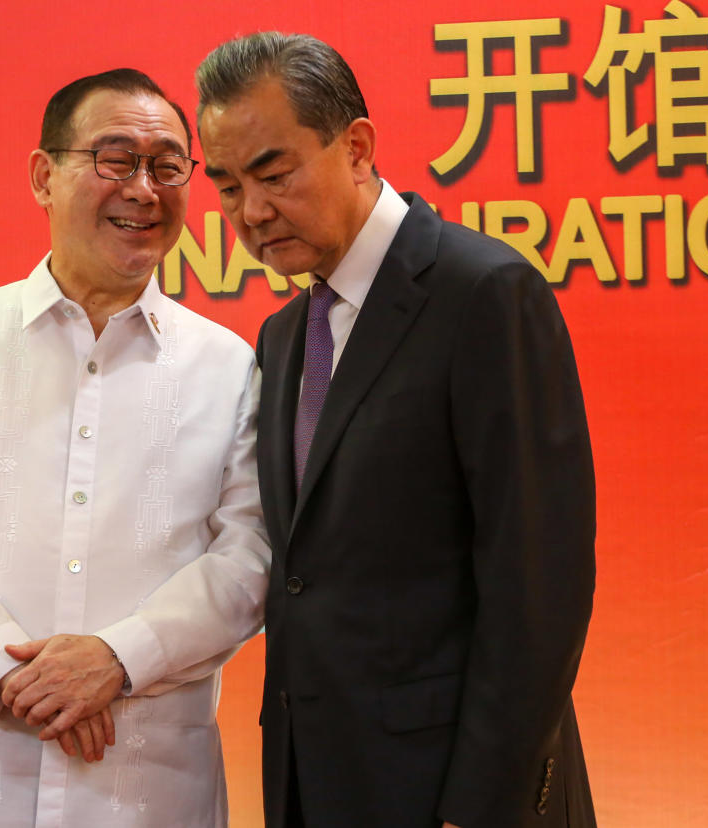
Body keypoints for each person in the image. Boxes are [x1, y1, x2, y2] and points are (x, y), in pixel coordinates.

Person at [0, 68, 270, 827]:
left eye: (168, 166)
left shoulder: (229, 367)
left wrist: (118, 659)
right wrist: (3, 666)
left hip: (146, 789)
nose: (143, 188)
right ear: (44, 176)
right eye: (114, 159)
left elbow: (250, 557)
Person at [195, 33, 597, 828]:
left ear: (358, 147)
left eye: (274, 175)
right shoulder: (282, 336)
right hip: (319, 784)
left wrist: (479, 807)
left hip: (460, 790)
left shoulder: (484, 294)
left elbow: (539, 589)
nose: (252, 213)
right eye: (229, 186)